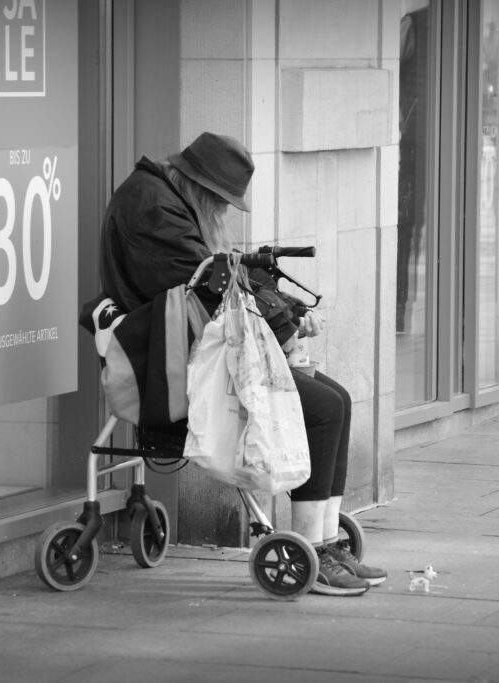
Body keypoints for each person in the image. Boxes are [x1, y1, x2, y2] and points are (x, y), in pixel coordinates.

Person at [100, 132, 387, 596]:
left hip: (194, 348)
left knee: (339, 399)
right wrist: (286, 319)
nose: (224, 213)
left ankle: (328, 543)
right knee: (321, 408)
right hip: (171, 362)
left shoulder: (166, 200)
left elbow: (221, 273)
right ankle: (313, 549)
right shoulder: (154, 211)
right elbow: (212, 286)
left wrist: (289, 308)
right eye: (222, 202)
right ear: (203, 189)